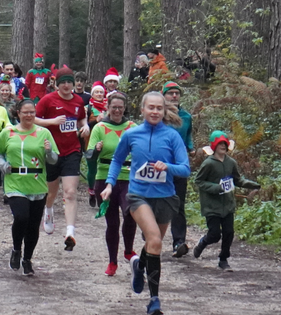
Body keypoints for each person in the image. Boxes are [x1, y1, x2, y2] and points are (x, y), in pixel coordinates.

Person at [100, 91, 190, 315]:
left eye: (159, 108)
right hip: (138, 195)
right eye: (150, 107)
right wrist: (110, 184)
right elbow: (118, 160)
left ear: (164, 111)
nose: (155, 112)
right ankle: (154, 300)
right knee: (154, 240)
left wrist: (167, 167)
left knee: (154, 243)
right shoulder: (131, 134)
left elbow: (185, 168)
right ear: (142, 110)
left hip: (166, 197)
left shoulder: (172, 136)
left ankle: (139, 266)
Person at [0, 100, 58, 276]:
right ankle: (16, 249)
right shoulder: (8, 132)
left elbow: (53, 159)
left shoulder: (44, 133)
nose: (29, 116)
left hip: (37, 182)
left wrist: (49, 150)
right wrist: (3, 164)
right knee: (21, 217)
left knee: (33, 225)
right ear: (18, 113)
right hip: (15, 181)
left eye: (32, 112)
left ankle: (27, 259)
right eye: (25, 112)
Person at [35, 66, 89, 250]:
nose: (66, 85)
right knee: (52, 192)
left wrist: (86, 126)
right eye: (63, 82)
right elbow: (33, 119)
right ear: (57, 85)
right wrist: (52, 122)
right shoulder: (48, 100)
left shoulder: (78, 101)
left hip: (72, 151)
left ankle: (70, 232)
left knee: (70, 192)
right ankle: (48, 210)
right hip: (52, 152)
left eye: (69, 82)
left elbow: (81, 118)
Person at [192, 131, 260, 271]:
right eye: (220, 144)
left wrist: (252, 184)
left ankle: (223, 259)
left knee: (229, 233)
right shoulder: (208, 164)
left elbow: (237, 180)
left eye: (225, 144)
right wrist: (216, 188)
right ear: (214, 146)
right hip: (212, 206)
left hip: (228, 205)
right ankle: (203, 243)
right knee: (214, 234)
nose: (223, 146)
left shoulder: (231, 162)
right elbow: (199, 181)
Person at [87, 93, 138, 276]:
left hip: (128, 176)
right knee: (112, 222)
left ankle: (128, 250)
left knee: (131, 212)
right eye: (114, 107)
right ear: (107, 108)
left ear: (125, 108)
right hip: (105, 177)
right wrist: (96, 150)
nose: (117, 110)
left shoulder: (132, 127)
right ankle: (112, 261)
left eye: (120, 107)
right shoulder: (100, 127)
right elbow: (89, 156)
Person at [162, 81, 195, 257]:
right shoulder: (158, 115)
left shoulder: (186, 116)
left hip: (179, 166)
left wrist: (191, 148)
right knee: (156, 201)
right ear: (164, 96)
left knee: (178, 204)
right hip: (159, 167)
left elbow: (189, 135)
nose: (174, 96)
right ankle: (150, 233)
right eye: (170, 93)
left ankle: (179, 242)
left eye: (177, 93)